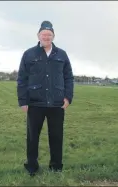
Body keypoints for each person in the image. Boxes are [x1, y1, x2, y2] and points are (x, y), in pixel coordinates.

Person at [17, 20, 74, 176]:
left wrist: (68, 97)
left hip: (57, 103)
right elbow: (22, 79)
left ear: (53, 36)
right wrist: (23, 101)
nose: (46, 37)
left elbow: (69, 77)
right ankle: (32, 167)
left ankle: (56, 167)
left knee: (56, 137)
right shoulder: (29, 54)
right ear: (38, 35)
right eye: (44, 34)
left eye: (49, 35)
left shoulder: (62, 54)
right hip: (35, 103)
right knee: (32, 137)